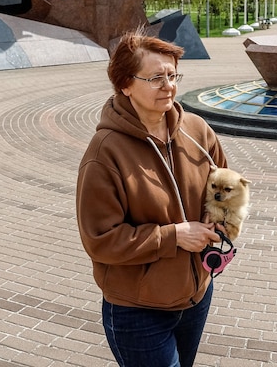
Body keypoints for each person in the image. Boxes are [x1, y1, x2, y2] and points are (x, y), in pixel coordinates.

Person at [76, 28, 230, 367]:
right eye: (156, 78)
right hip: (138, 310)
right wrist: (174, 236)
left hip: (196, 295)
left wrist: (218, 220)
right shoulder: (105, 154)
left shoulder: (197, 129)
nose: (169, 86)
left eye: (173, 75)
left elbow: (227, 184)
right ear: (125, 84)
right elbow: (100, 240)